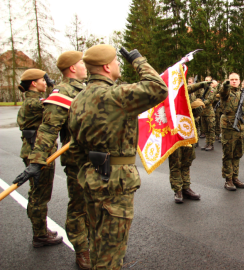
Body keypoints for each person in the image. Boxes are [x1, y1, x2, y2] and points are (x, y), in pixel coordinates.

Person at [68, 44, 169, 269]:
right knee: (111, 255)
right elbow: (158, 88)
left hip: (92, 177)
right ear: (106, 66)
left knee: (97, 245)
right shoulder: (115, 95)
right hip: (116, 182)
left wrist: (87, 170)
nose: (117, 65)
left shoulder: (78, 99)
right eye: (115, 61)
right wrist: (138, 60)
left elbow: (74, 147)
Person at [22, 51, 91, 268]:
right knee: (76, 206)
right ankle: (79, 250)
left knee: (92, 206)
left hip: (92, 159)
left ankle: (93, 245)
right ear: (72, 67)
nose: (85, 65)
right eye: (81, 63)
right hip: (67, 158)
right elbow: (49, 127)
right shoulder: (60, 94)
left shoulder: (83, 88)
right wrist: (36, 160)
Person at [13, 69, 63, 249]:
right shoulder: (35, 102)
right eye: (43, 80)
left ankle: (41, 230)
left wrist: (51, 86)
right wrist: (54, 87)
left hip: (32, 151)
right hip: (39, 154)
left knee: (37, 194)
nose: (45, 82)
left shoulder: (30, 101)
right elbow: (57, 102)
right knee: (39, 196)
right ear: (34, 83)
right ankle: (40, 235)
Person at [168, 88, 208, 203]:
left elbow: (196, 114)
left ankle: (186, 187)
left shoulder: (189, 94)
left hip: (187, 132)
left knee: (186, 162)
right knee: (176, 162)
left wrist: (197, 107)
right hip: (174, 133)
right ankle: (178, 190)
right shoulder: (169, 92)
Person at [219, 73, 244, 191]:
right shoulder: (226, 93)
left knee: (237, 153)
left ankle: (235, 177)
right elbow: (223, 91)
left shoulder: (242, 93)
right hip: (229, 127)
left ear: (240, 81)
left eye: (236, 79)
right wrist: (226, 84)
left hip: (240, 127)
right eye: (232, 80)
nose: (234, 81)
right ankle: (228, 180)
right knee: (228, 154)